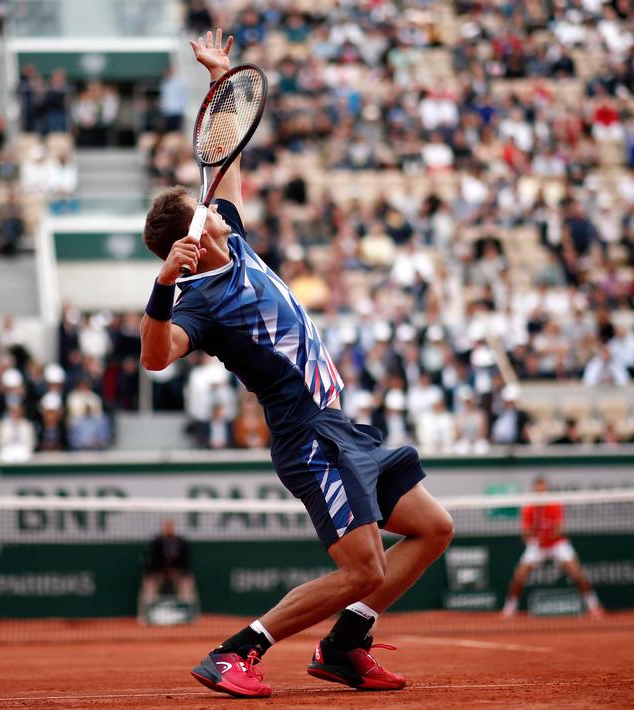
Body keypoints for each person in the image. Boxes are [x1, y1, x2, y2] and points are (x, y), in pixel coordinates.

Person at [139, 30, 453, 699]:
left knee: (433, 528)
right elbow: (155, 359)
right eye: (203, 213)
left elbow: (227, 153)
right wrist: (162, 286)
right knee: (363, 567)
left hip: (342, 425)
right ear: (188, 238)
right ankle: (236, 652)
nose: (217, 208)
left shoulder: (236, 240)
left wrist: (220, 79)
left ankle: (343, 646)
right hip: (307, 437)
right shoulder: (198, 304)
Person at [502, 477, 603, 619]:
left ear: (546, 489)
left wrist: (545, 536)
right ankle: (509, 608)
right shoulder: (528, 509)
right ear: (534, 490)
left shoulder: (555, 505)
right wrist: (532, 537)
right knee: (519, 576)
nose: (540, 491)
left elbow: (558, 530)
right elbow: (525, 535)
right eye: (538, 489)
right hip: (537, 545)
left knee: (576, 573)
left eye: (543, 488)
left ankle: (594, 605)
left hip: (557, 544)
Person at [138, 518, 198, 622]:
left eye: (171, 527)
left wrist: (177, 572)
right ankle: (145, 615)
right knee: (149, 584)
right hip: (158, 573)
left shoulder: (181, 542)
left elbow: (185, 561)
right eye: (166, 527)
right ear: (163, 528)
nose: (169, 529)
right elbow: (150, 561)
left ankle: (190, 614)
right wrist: (160, 572)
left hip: (178, 573)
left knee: (186, 583)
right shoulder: (156, 543)